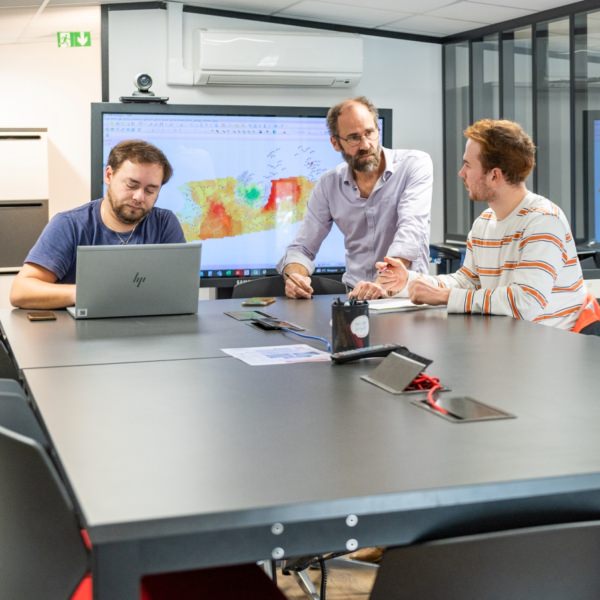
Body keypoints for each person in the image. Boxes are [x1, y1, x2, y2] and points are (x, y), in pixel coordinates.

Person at [353, 119, 600, 335]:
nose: (461, 173)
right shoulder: (485, 222)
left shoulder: (544, 221)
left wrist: (446, 297)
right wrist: (407, 281)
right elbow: (467, 281)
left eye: (468, 165)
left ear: (494, 175)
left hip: (551, 353)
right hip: (510, 344)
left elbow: (526, 301)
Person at [277, 96, 432, 299]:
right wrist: (296, 277)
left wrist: (379, 285)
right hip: (355, 298)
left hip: (406, 297)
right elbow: (302, 248)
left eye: (369, 133)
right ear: (335, 143)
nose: (365, 145)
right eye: (353, 137)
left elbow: (410, 234)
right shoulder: (329, 184)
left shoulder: (414, 165)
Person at [10, 139, 185, 310]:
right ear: (109, 175)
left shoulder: (165, 223)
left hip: (149, 331)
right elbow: (21, 291)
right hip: (80, 333)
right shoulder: (70, 225)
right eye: (132, 185)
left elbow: (180, 290)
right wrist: (88, 294)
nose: (139, 197)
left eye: (150, 190)